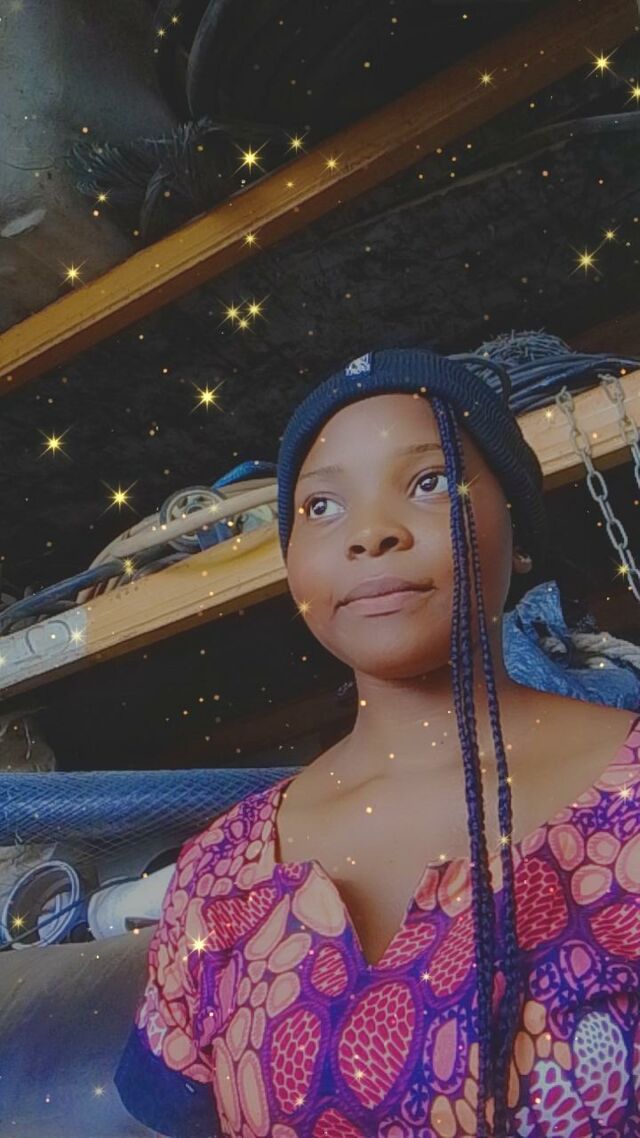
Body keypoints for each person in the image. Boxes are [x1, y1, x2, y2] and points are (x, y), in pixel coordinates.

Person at [115, 348, 640, 1138]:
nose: (369, 534)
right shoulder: (217, 871)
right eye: (322, 506)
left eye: (429, 483)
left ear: (520, 527)